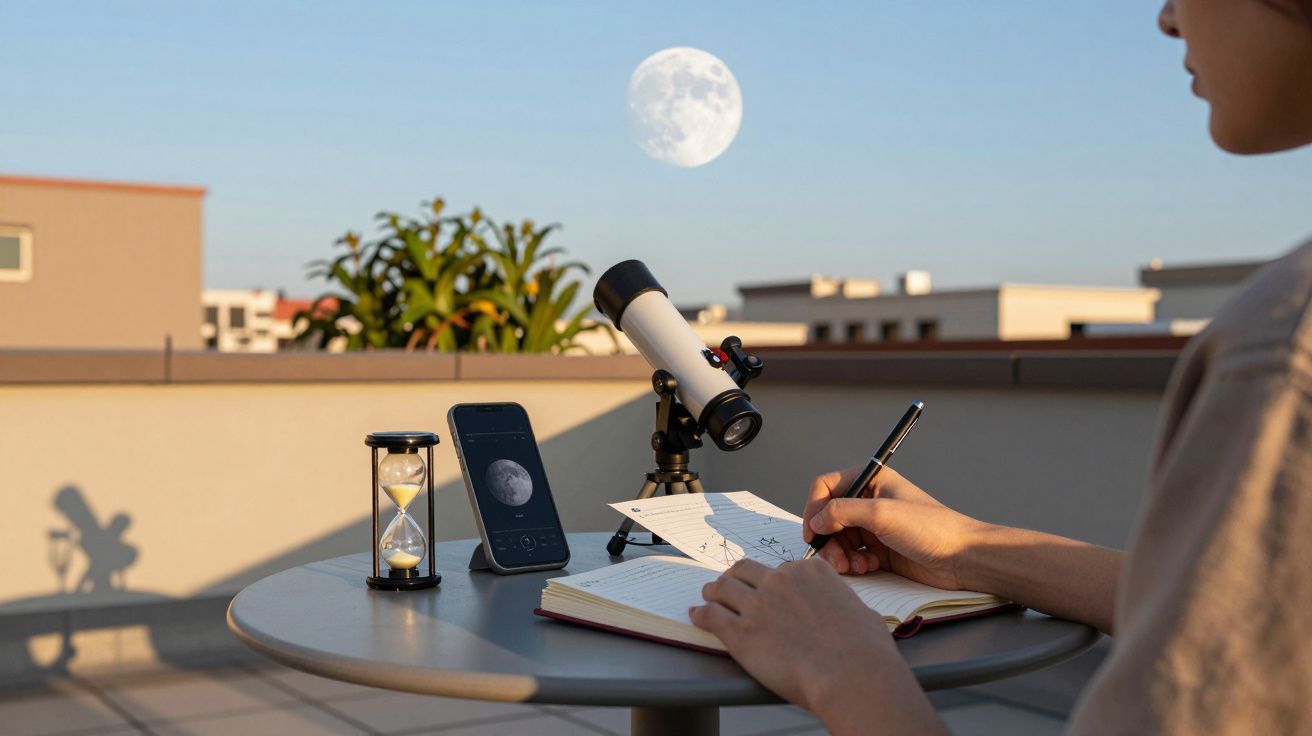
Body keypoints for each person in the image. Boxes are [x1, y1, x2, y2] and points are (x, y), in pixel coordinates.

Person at [689, 1, 1312, 733]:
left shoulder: (1280, 352)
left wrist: (845, 674)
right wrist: (969, 548)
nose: (1167, 19)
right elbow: (1236, 607)